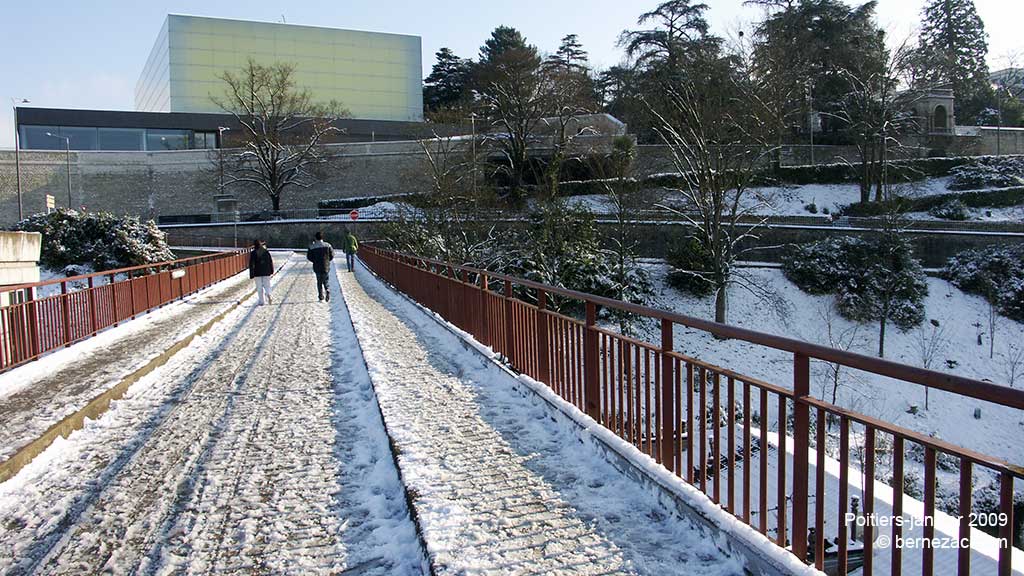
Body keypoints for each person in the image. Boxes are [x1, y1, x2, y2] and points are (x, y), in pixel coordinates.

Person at [306, 231, 335, 302]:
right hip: (326, 265)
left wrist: (314, 261)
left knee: (319, 281)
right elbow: (332, 255)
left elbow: (309, 257)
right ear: (322, 238)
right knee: (326, 279)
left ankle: (321, 296)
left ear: (315, 238)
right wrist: (328, 260)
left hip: (317, 266)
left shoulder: (312, 247)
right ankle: (327, 289)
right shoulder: (328, 245)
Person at [248, 239, 274, 306]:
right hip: (266, 271)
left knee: (259, 287)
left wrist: (251, 274)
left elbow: (251, 264)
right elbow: (270, 261)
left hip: (257, 272)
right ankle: (269, 294)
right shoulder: (266, 252)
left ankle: (261, 301)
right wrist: (271, 270)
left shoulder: (253, 253)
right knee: (267, 285)